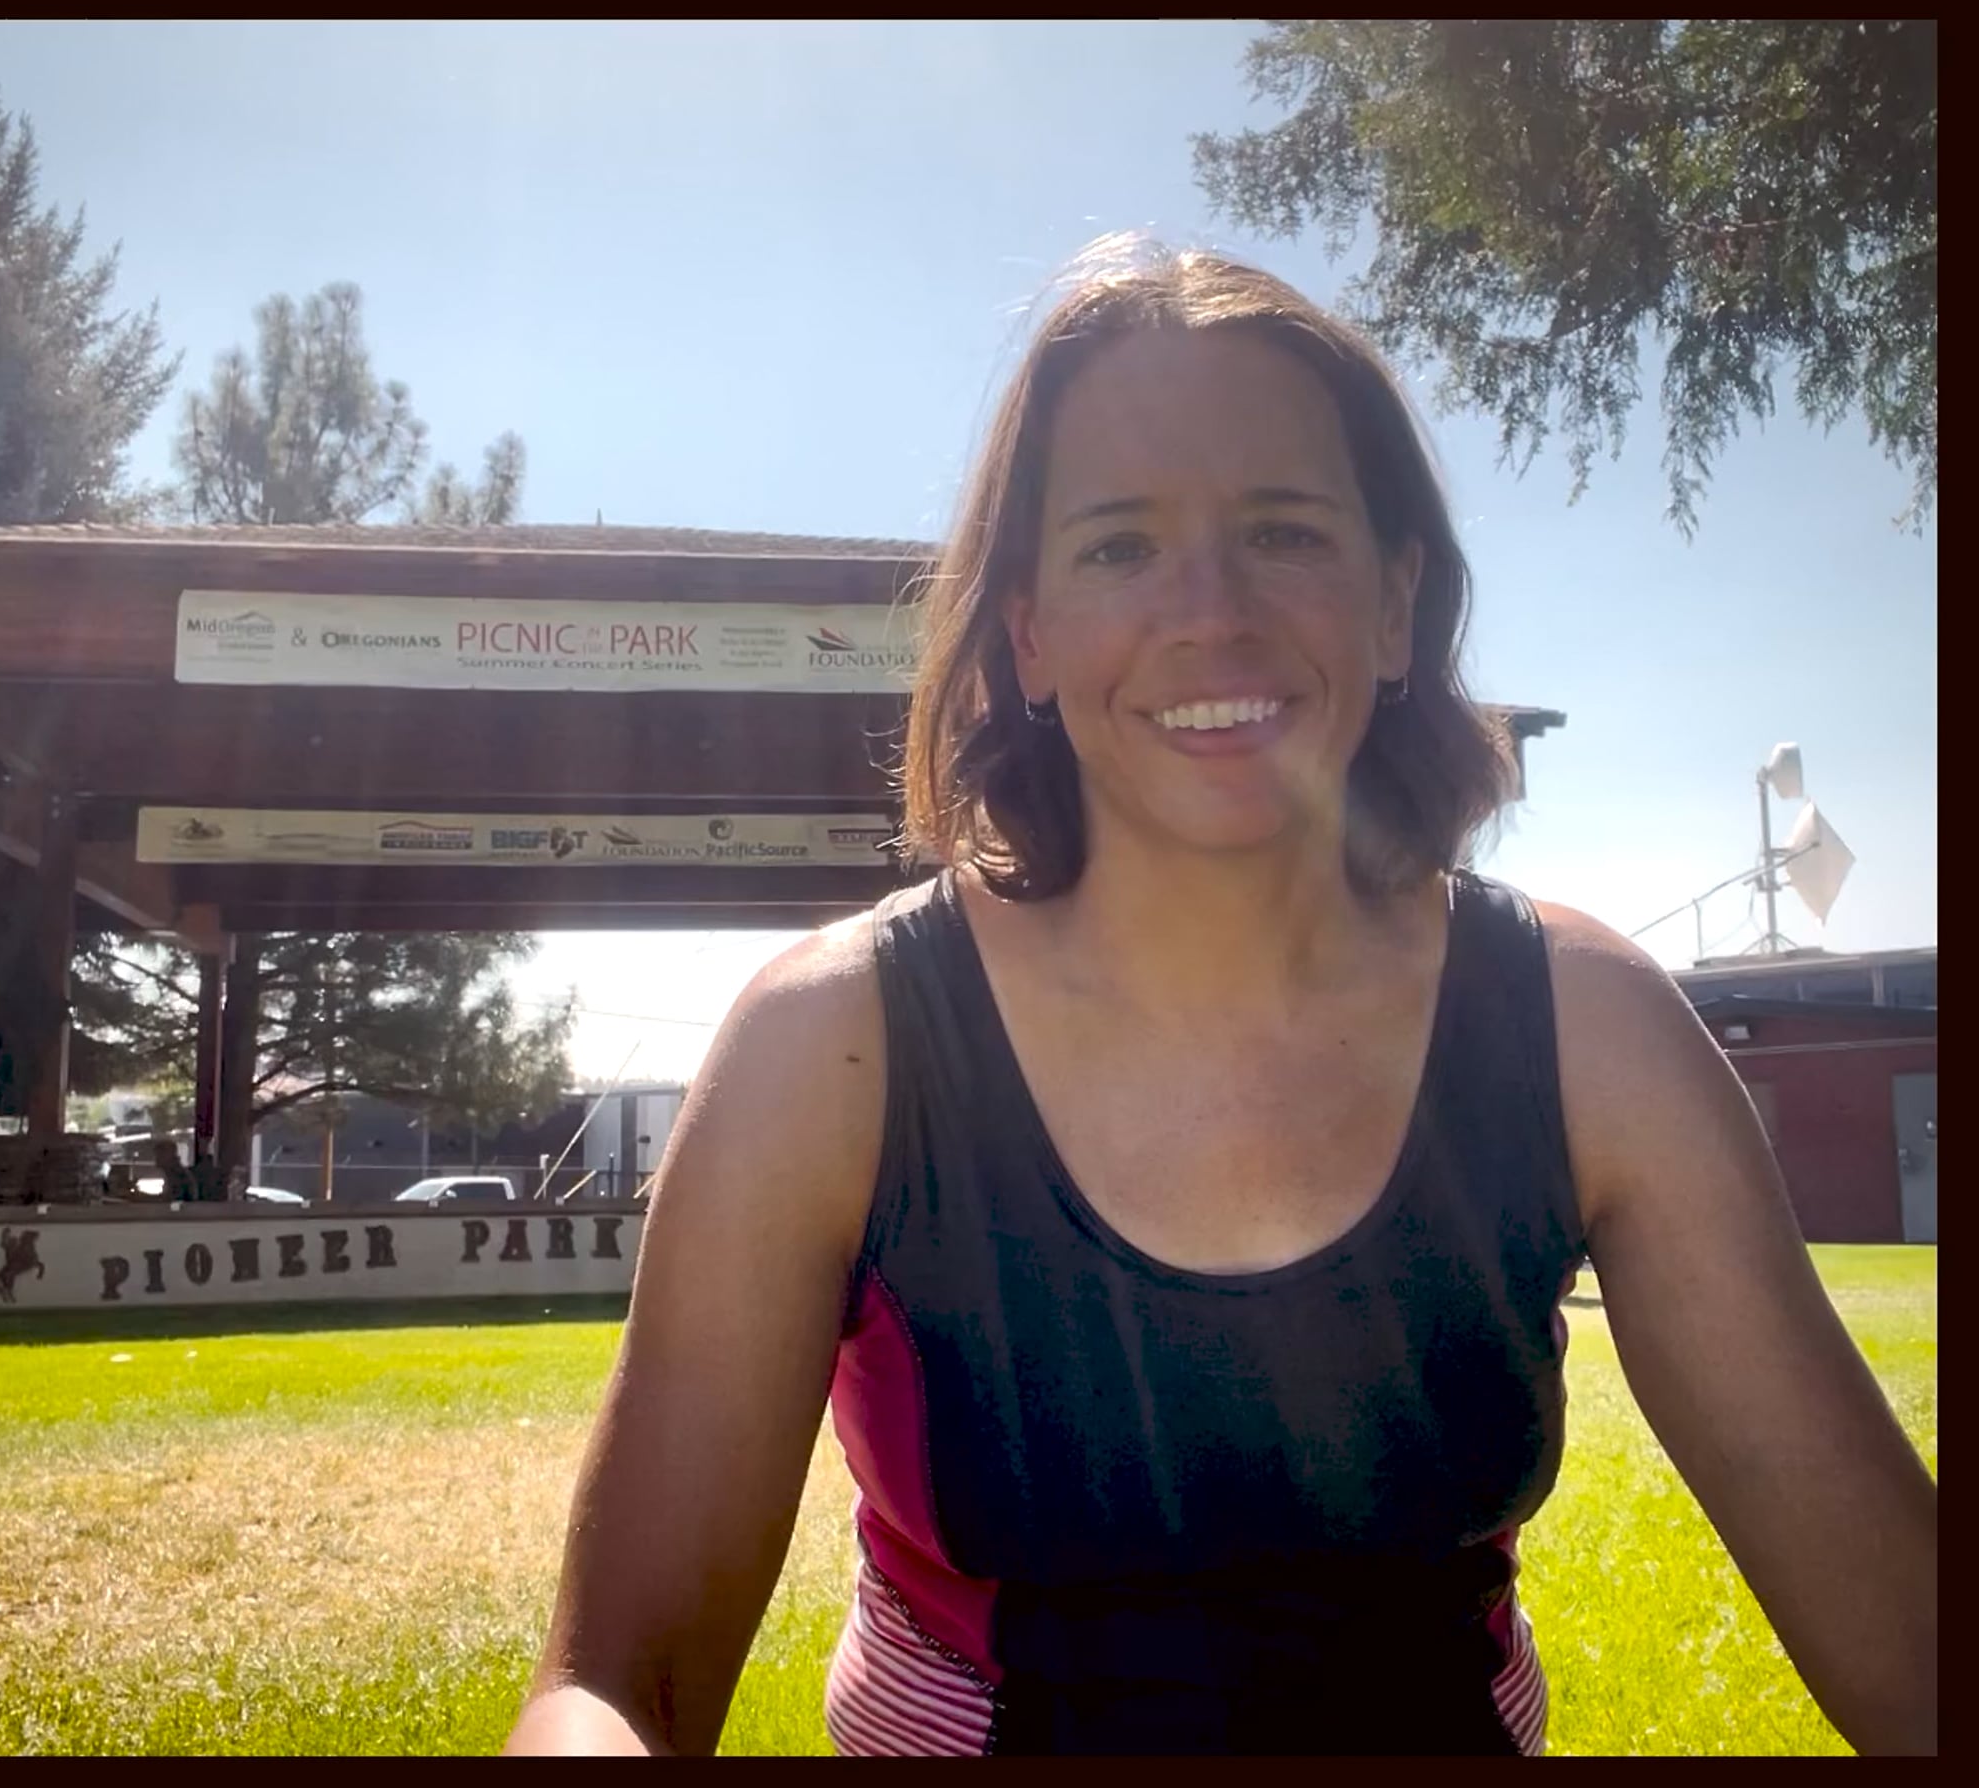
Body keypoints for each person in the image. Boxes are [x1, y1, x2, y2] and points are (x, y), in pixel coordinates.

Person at [502, 240, 1937, 1758]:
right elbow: (619, 1686)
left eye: (1284, 532)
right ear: (1028, 634)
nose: (1212, 613)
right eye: (1120, 546)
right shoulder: (830, 1048)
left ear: (1397, 603)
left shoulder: (1591, 1028)